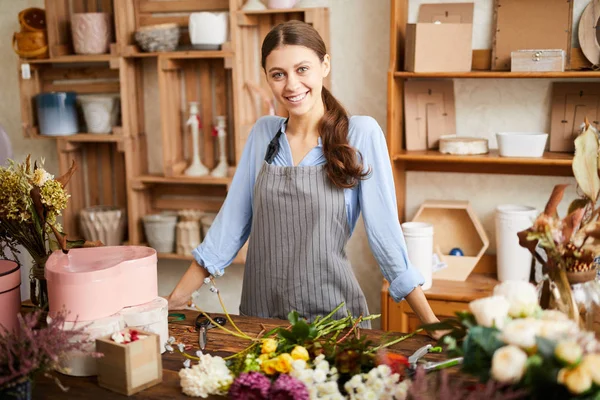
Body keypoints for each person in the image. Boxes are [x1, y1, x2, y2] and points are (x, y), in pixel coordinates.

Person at [167, 20, 439, 329]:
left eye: (302, 69)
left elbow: (386, 238)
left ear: (325, 65)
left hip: (332, 321)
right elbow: (229, 226)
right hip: (260, 319)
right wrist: (172, 300)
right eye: (278, 74)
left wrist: (431, 324)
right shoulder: (263, 134)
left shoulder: (360, 134)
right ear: (267, 78)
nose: (292, 86)